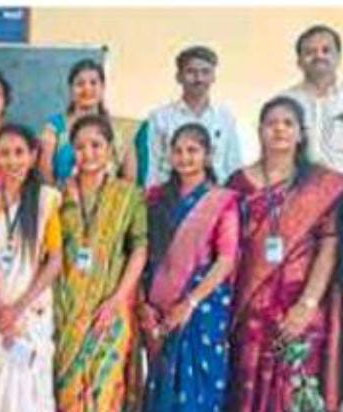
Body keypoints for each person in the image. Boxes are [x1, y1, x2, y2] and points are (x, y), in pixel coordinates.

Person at [227, 96, 343, 412]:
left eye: (288, 123)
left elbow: (329, 245)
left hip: (300, 306)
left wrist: (307, 304)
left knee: (294, 391)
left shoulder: (319, 184)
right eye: (271, 123)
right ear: (260, 131)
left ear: (300, 133)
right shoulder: (238, 183)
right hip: (250, 306)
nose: (279, 129)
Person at [139, 123, 239, 412]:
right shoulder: (155, 197)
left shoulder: (222, 200)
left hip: (201, 309)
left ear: (208, 155)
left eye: (192, 150)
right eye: (178, 151)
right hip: (157, 308)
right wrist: (143, 303)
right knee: (161, 386)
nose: (184, 158)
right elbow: (142, 252)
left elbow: (226, 260)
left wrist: (189, 304)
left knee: (198, 390)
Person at [54, 114, 148, 411]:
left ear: (109, 149)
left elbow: (139, 249)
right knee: (67, 393)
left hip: (110, 309)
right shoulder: (57, 195)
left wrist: (117, 300)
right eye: (80, 147)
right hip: (66, 311)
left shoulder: (128, 195)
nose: (88, 153)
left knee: (104, 391)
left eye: (96, 145)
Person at [0, 123, 62, 412]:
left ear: (33, 156)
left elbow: (55, 260)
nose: (12, 161)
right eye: (5, 153)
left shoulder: (45, 200)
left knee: (32, 390)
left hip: (31, 309)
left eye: (19, 152)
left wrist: (19, 308)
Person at [144, 45, 243, 187]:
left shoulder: (225, 117)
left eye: (205, 72)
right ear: (179, 77)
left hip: (216, 195)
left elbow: (234, 166)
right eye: (191, 72)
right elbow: (152, 168)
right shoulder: (160, 117)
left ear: (213, 77)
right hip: (171, 195)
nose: (199, 78)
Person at [280, 24, 343, 176]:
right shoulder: (284, 103)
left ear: (338, 57)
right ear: (299, 62)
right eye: (310, 52)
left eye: (326, 50)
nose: (319, 56)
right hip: (297, 187)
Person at [39, 59, 135, 185]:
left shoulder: (118, 130)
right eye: (80, 84)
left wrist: (110, 196)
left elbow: (129, 178)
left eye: (93, 83)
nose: (87, 89)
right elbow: (45, 172)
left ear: (103, 87)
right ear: (71, 89)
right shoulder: (54, 128)